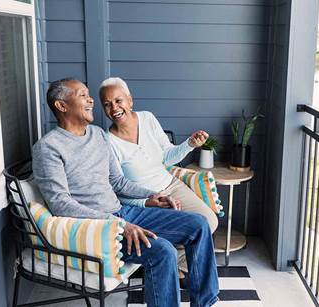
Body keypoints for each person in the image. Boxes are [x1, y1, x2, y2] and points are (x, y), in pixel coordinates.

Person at [32, 78, 219, 307]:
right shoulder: (48, 147)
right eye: (82, 95)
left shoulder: (98, 135)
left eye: (89, 94)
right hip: (99, 227)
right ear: (62, 106)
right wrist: (116, 224)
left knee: (198, 224)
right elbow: (60, 204)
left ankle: (205, 303)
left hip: (123, 213)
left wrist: (151, 196)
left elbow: (118, 182)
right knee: (163, 252)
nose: (91, 100)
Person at [98, 77, 219, 234]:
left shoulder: (147, 118)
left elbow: (168, 157)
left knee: (209, 222)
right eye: (107, 104)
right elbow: (119, 190)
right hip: (146, 201)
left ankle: (180, 255)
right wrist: (147, 202)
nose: (114, 108)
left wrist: (190, 144)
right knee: (181, 233)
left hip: (171, 185)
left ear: (130, 100)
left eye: (118, 100)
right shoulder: (108, 141)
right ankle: (177, 255)